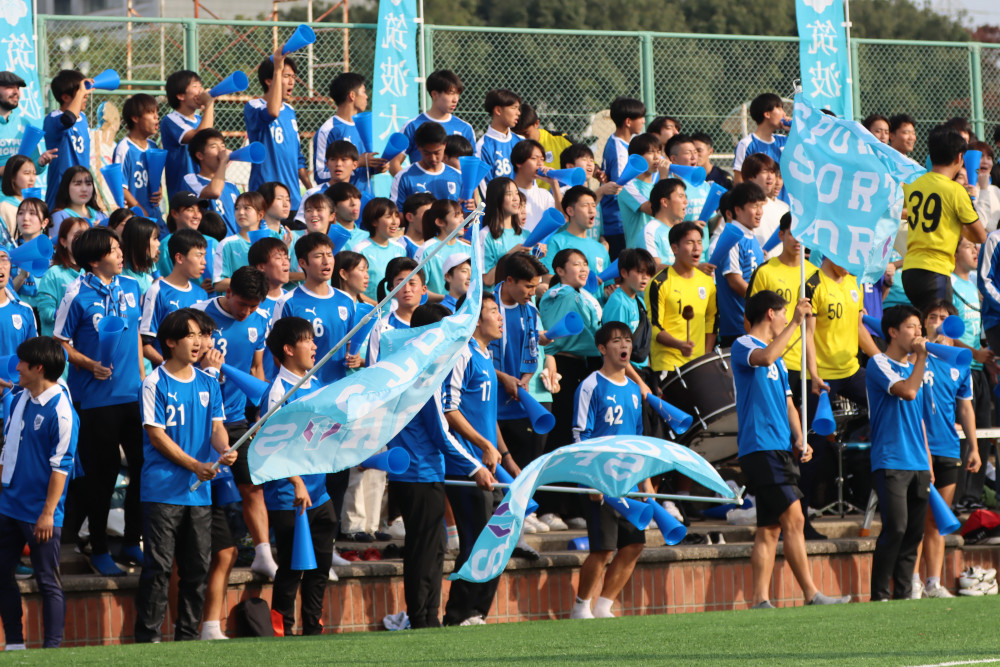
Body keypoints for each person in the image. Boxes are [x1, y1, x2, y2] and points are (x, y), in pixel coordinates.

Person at [733, 291, 849, 609]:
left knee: (769, 529)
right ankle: (811, 593)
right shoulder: (744, 345)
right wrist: (796, 323)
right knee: (795, 518)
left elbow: (788, 404)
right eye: (783, 313)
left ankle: (759, 600)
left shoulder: (780, 359)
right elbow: (765, 358)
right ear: (770, 313)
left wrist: (800, 438)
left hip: (781, 448)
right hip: (760, 447)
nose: (787, 318)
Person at [386, 303, 493, 627]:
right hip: (419, 473)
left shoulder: (408, 367)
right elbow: (441, 434)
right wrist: (475, 467)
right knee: (426, 550)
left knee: (432, 548)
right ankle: (423, 618)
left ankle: (427, 616)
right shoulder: (423, 375)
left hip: (417, 472)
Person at [134, 309, 232, 643]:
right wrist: (194, 465)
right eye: (190, 335)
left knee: (197, 568)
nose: (199, 342)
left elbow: (216, 428)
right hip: (162, 491)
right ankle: (148, 639)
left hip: (199, 491)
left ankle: (187, 639)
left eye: (201, 335)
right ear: (171, 342)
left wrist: (224, 449)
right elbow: (156, 436)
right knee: (159, 568)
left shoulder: (209, 382)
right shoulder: (154, 382)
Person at [53, 226, 144, 576]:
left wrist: (142, 378)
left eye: (120, 247)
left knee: (142, 467)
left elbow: (136, 335)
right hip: (96, 399)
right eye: (113, 249)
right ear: (94, 260)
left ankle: (132, 541)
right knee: (102, 476)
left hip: (133, 395)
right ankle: (99, 546)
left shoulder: (131, 286)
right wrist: (91, 364)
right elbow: (60, 342)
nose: (121, 253)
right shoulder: (76, 293)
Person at [191, 266, 278, 581]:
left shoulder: (260, 319)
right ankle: (202, 552)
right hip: (201, 419)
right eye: (242, 304)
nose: (247, 312)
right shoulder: (198, 314)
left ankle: (263, 555)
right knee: (204, 486)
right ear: (228, 293)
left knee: (252, 485)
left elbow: (256, 368)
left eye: (253, 306)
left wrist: (261, 409)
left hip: (237, 417)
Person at [442, 295, 518, 626]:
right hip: (467, 465)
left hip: (491, 465)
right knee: (476, 541)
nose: (500, 318)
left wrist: (505, 455)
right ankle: (457, 615)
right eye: (492, 312)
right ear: (474, 319)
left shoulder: (487, 356)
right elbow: (449, 409)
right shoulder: (462, 354)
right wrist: (482, 445)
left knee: (498, 540)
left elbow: (488, 416)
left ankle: (478, 613)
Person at [569, 321, 652, 620]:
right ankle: (581, 606)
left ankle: (604, 604)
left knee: (634, 545)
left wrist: (646, 482)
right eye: (616, 341)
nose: (624, 345)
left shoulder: (634, 389)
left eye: (627, 340)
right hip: (600, 480)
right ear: (602, 349)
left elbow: (639, 441)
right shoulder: (591, 385)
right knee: (603, 549)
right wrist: (593, 480)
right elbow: (580, 436)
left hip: (629, 481)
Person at [260, 316, 337, 636]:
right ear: (289, 349)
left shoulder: (316, 384)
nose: (314, 346)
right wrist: (297, 483)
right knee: (292, 568)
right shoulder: (278, 392)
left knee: (320, 567)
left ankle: (313, 628)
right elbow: (271, 447)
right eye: (307, 340)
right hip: (290, 497)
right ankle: (282, 630)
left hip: (320, 493)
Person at [0, 336, 78, 649]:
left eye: (22, 362)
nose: (17, 367)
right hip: (9, 504)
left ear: (39, 367)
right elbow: (7, 450)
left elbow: (61, 468)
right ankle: (15, 644)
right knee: (1, 574)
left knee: (48, 580)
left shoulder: (62, 410)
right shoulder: (20, 398)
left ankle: (52, 651)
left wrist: (48, 513)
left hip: (40, 513)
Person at [911, 300, 978, 599]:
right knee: (916, 516)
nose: (938, 322)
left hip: (949, 447)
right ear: (924, 322)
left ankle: (933, 582)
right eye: (932, 317)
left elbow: (965, 408)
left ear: (953, 324)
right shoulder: (914, 354)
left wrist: (974, 447)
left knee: (938, 518)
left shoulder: (960, 362)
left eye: (944, 317)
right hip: (916, 447)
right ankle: (912, 581)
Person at [866, 305, 933, 601]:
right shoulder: (878, 363)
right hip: (891, 459)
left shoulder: (916, 368)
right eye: (911, 327)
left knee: (914, 533)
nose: (918, 332)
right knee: (896, 527)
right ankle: (880, 594)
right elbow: (908, 392)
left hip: (918, 461)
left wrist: (928, 461)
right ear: (892, 332)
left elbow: (919, 417)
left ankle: (904, 594)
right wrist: (921, 358)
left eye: (920, 326)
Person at [902, 126, 985, 311]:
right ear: (959, 158)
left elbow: (899, 211)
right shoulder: (956, 191)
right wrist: (959, 226)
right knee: (940, 326)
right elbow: (980, 236)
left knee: (926, 323)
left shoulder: (913, 185)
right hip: (935, 271)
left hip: (909, 271)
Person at [747, 213, 819, 396]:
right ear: (781, 235)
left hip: (809, 364)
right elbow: (749, 320)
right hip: (775, 361)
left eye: (803, 234)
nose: (798, 240)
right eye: (793, 233)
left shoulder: (816, 275)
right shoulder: (765, 272)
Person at [271, 232, 357, 385]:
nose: (326, 261)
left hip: (339, 387)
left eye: (329, 255)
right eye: (318, 256)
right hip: (304, 390)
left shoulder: (346, 300)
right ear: (303, 263)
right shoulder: (288, 302)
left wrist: (354, 358)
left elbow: (350, 344)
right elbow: (278, 355)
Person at [954, 238, 995, 509]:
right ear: (954, 253)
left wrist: (985, 357)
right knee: (962, 435)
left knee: (983, 432)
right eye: (968, 246)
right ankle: (956, 496)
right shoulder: (948, 283)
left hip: (979, 369)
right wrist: (974, 354)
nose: (975, 250)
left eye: (976, 247)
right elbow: (945, 333)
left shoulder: (974, 286)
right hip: (960, 369)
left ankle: (973, 496)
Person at [646, 222, 717, 375]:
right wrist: (679, 345)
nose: (696, 248)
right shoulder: (659, 283)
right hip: (668, 365)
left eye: (699, 242)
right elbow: (654, 327)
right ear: (675, 248)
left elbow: (712, 321)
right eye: (690, 243)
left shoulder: (707, 282)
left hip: (697, 365)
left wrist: (705, 358)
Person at [244, 50, 310, 212]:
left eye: (293, 77)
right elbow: (272, 112)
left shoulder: (290, 111)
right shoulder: (254, 106)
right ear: (269, 81)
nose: (292, 82)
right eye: (286, 76)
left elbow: (298, 158)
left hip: (292, 199)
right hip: (266, 198)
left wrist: (310, 189)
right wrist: (277, 68)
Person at [139, 229, 209, 366]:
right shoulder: (157, 291)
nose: (204, 262)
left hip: (194, 374)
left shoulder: (202, 294)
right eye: (199, 255)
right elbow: (144, 344)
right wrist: (170, 367)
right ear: (179, 258)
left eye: (204, 256)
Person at [712, 182, 767, 348]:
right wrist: (763, 303)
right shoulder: (732, 238)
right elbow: (735, 281)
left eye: (761, 206)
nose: (759, 212)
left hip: (754, 324)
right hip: (737, 328)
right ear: (737, 210)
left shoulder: (752, 237)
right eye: (754, 206)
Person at [314, 72, 385, 192]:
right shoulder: (329, 130)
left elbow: (364, 168)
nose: (366, 96)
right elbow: (320, 175)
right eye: (363, 92)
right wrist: (357, 163)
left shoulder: (364, 126)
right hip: (341, 199)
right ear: (352, 95)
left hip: (366, 198)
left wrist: (377, 166)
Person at [600, 97, 646, 256]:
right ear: (628, 121)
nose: (643, 121)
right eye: (640, 117)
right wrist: (645, 204)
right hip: (618, 222)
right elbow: (622, 187)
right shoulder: (620, 150)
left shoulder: (617, 141)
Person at [160, 70, 215, 200]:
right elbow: (200, 137)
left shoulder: (200, 120)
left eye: (201, 86)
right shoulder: (171, 120)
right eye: (195, 86)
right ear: (181, 95)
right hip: (183, 193)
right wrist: (209, 104)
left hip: (203, 188)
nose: (201, 90)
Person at [43, 70, 92, 209]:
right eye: (80, 92)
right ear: (65, 97)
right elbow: (69, 119)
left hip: (82, 186)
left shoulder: (83, 118)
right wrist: (81, 92)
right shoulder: (53, 119)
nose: (85, 96)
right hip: (61, 188)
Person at [113, 94, 163, 229]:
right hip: (137, 221)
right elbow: (120, 186)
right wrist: (139, 210)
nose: (156, 117)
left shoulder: (153, 146)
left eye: (157, 112)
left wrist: (159, 190)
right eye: (151, 113)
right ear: (135, 118)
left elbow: (155, 178)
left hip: (156, 215)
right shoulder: (124, 148)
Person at [390, 121, 463, 211]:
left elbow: (466, 215)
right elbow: (396, 214)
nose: (433, 158)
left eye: (437, 152)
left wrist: (470, 210)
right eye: (427, 153)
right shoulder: (403, 177)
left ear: (444, 145)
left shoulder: (458, 176)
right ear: (418, 147)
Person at [545, 185, 610, 284]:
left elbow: (607, 287)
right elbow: (547, 280)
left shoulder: (601, 248)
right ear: (570, 211)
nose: (592, 210)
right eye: (585, 205)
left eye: (593, 206)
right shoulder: (556, 242)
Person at [183, 128, 240, 235]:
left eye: (223, 146)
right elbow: (215, 192)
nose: (221, 151)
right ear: (200, 155)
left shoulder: (232, 186)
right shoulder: (191, 180)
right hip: (210, 242)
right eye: (214, 146)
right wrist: (223, 161)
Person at [36, 217, 87, 336]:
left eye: (86, 235)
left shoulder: (90, 273)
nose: (84, 240)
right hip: (57, 343)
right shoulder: (53, 274)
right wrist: (72, 313)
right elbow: (45, 313)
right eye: (77, 235)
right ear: (63, 241)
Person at [156, 192, 215, 292]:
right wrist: (196, 291)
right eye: (190, 210)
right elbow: (167, 285)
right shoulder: (166, 245)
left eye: (199, 210)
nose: (196, 215)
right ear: (175, 213)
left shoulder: (213, 242)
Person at [618, 133, 667, 251]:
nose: (657, 157)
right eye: (650, 152)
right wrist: (663, 178)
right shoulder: (628, 186)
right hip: (639, 254)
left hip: (661, 250)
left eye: (658, 152)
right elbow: (653, 209)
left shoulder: (656, 186)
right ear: (636, 158)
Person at [414, 198, 471, 299]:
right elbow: (417, 289)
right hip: (437, 308)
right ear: (440, 222)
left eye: (462, 216)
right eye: (456, 216)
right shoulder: (427, 250)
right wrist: (448, 299)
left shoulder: (468, 249)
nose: (462, 221)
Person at [353, 198, 407, 302]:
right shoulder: (360, 250)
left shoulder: (400, 249)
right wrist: (377, 306)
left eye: (396, 216)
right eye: (388, 216)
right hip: (371, 309)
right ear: (374, 221)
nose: (395, 222)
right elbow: (354, 289)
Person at [0, 70, 55, 173]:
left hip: (20, 184)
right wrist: (10, 170)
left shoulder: (23, 123)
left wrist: (40, 162)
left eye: (18, 88)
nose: (16, 92)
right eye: (10, 87)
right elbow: (19, 168)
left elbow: (32, 165)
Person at [293, 141, 359, 226]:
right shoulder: (312, 194)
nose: (338, 164)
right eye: (333, 159)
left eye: (344, 159)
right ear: (327, 164)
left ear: (355, 165)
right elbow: (302, 226)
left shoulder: (359, 197)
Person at [213, 191, 266, 294]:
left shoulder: (270, 242)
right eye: (237, 208)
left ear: (260, 215)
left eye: (246, 208)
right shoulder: (226, 244)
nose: (240, 212)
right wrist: (251, 283)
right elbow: (219, 284)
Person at [481, 177, 529, 287]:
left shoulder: (526, 234)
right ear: (496, 198)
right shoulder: (485, 235)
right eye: (509, 194)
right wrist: (511, 254)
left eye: (516, 193)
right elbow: (487, 280)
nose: (515, 199)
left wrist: (537, 256)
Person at [733, 93, 786, 184]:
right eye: (779, 108)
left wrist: (793, 129)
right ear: (767, 114)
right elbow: (739, 182)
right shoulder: (746, 144)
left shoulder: (785, 141)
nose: (784, 113)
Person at [739, 154, 787, 256]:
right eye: (765, 172)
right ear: (750, 177)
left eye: (772, 172)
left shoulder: (784, 208)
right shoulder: (738, 206)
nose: (770, 177)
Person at [475, 89, 522, 185]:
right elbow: (485, 187)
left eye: (518, 108)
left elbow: (531, 182)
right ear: (498, 110)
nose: (518, 113)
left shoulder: (521, 141)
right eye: (514, 108)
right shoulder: (482, 147)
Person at [511, 139, 560, 228]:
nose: (540, 163)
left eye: (542, 159)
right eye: (534, 158)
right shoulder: (506, 193)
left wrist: (554, 184)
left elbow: (561, 219)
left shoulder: (544, 195)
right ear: (518, 162)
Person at [642, 178, 687, 270]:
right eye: (681, 196)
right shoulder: (650, 231)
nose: (686, 202)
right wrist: (689, 270)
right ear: (665, 202)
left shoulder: (680, 232)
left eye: (685, 197)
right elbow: (653, 268)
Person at [49, 167, 108, 236]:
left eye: (88, 184)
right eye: (78, 184)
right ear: (66, 187)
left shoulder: (101, 216)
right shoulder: (59, 216)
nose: (84, 189)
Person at [0, 155, 37, 242]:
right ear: (13, 177)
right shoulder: (4, 207)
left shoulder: (36, 204)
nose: (32, 179)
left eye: (34, 173)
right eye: (27, 173)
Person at [120, 216, 161, 294]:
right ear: (140, 241)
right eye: (154, 239)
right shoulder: (121, 275)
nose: (158, 243)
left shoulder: (149, 263)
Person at [327, 181, 369, 250]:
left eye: (356, 197)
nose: (353, 203)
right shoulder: (327, 235)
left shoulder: (368, 236)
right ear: (334, 207)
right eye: (346, 199)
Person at [400, 192, 435, 258]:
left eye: (433, 214)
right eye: (427, 214)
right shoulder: (401, 247)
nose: (432, 218)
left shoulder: (438, 244)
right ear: (410, 217)